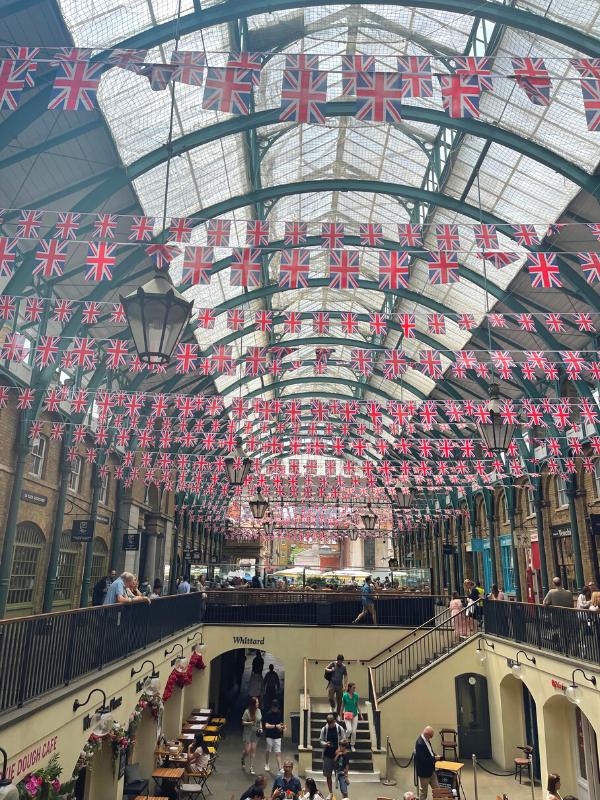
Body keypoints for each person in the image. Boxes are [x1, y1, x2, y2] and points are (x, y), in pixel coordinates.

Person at [319, 713, 345, 800]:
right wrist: (325, 744)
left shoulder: (340, 729)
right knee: (328, 775)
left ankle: (344, 794)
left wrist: (340, 751)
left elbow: (344, 741)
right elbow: (321, 741)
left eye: (331, 722)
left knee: (340, 775)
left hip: (337, 756)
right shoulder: (324, 729)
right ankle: (330, 793)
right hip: (327, 756)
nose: (330, 724)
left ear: (334, 721)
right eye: (328, 722)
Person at [414, 726, 439, 800]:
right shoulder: (420, 743)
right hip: (424, 773)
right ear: (427, 734)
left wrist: (434, 755)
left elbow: (429, 751)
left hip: (431, 770)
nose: (431, 738)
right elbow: (423, 760)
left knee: (437, 790)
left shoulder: (426, 740)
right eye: (431, 736)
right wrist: (435, 758)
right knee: (424, 793)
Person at [263, 699, 285, 774]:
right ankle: (266, 764)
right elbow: (266, 725)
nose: (275, 709)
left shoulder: (279, 713)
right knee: (268, 750)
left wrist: (282, 727)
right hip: (269, 735)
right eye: (274, 707)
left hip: (278, 736)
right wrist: (276, 726)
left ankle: (280, 768)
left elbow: (281, 724)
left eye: (276, 707)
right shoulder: (268, 714)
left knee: (278, 752)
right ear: (272, 707)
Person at [241, 696, 262, 774]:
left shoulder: (259, 711)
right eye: (257, 702)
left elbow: (260, 721)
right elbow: (243, 722)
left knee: (253, 749)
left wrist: (261, 728)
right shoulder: (247, 712)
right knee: (247, 750)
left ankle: (251, 767)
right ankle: (243, 757)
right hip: (248, 733)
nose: (258, 703)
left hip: (255, 733)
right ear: (253, 704)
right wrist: (250, 723)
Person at [341, 682, 362, 750]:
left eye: (355, 687)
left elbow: (358, 705)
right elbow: (342, 706)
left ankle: (352, 745)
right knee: (349, 730)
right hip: (347, 715)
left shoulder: (356, 695)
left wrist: (361, 714)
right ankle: (345, 737)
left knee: (353, 731)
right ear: (349, 688)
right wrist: (340, 715)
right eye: (353, 688)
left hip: (355, 715)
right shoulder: (345, 695)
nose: (354, 689)